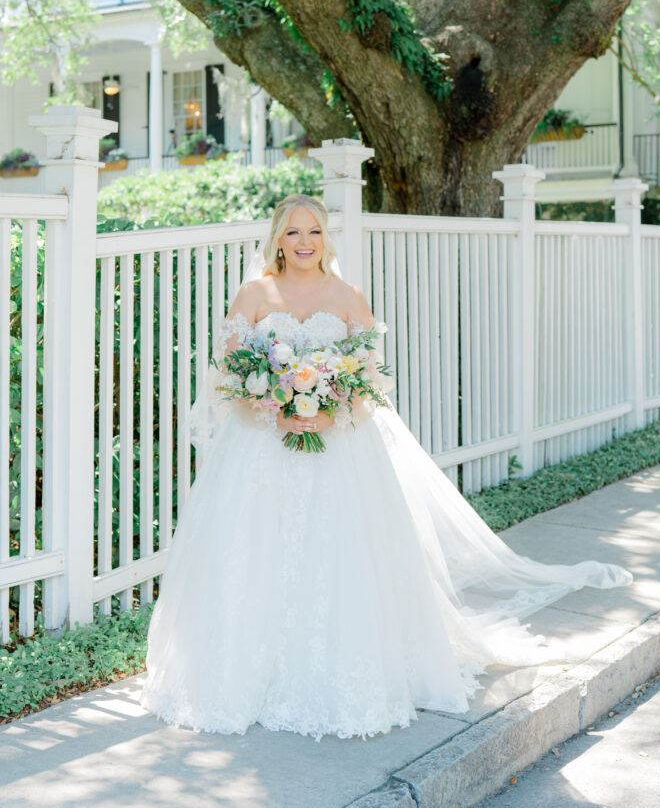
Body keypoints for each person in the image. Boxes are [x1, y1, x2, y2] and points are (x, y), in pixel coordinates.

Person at [141, 193, 632, 741]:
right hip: (261, 446)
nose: (304, 243)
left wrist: (328, 413)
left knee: (339, 552)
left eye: (315, 232)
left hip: (339, 447)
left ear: (327, 238)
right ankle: (245, 671)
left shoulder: (349, 296)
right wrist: (273, 408)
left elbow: (368, 381)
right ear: (277, 237)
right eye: (294, 232)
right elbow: (228, 375)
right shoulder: (254, 294)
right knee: (256, 550)